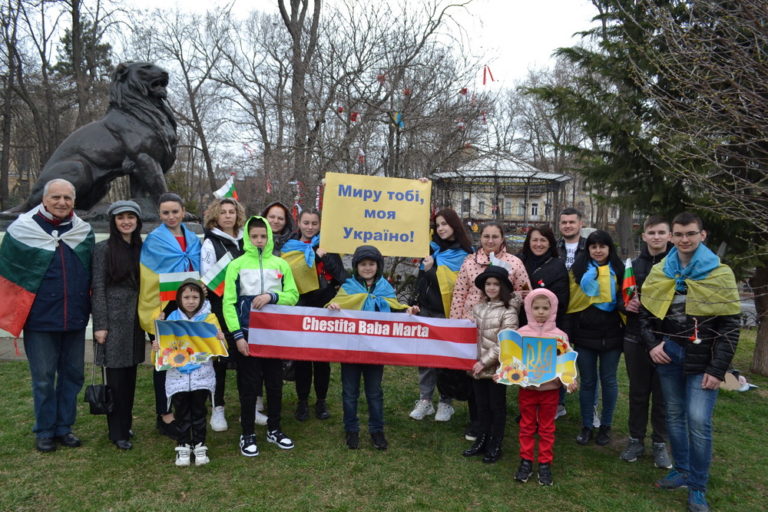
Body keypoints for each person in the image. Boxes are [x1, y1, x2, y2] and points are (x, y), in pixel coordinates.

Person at [640, 212, 740, 512]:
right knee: (673, 415)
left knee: (698, 422)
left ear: (702, 235)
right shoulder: (662, 271)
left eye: (691, 234)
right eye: (680, 234)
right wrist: (653, 344)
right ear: (672, 237)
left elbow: (730, 326)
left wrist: (717, 369)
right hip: (669, 353)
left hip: (703, 358)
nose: (685, 240)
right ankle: (681, 470)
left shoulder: (719, 273)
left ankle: (697, 486)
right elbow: (645, 315)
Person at [0, 179, 94, 452]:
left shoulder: (82, 232)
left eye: (67, 197)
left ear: (74, 201)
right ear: (44, 199)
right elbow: (10, 272)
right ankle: (44, 430)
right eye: (56, 197)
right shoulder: (22, 231)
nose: (62, 202)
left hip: (74, 318)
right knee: (43, 377)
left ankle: (64, 427)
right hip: (40, 320)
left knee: (73, 375)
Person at [327, 245, 417, 451]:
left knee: (374, 392)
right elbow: (334, 306)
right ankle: (351, 429)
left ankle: (377, 430)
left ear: (378, 266)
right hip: (351, 349)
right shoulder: (348, 287)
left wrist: (408, 311)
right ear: (356, 266)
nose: (367, 268)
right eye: (363, 264)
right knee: (349, 392)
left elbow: (394, 309)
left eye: (371, 264)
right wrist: (333, 307)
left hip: (375, 350)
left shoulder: (385, 288)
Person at [223, 216, 299, 457]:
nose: (258, 240)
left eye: (263, 236)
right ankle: (247, 433)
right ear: (247, 237)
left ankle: (274, 429)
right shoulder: (236, 265)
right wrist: (237, 336)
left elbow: (293, 295)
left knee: (275, 384)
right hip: (247, 336)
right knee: (249, 386)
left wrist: (272, 297)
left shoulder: (280, 264)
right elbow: (229, 303)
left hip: (274, 336)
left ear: (269, 238)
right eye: (254, 236)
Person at [449, 222, 528, 440]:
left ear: (503, 238)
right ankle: (477, 423)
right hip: (471, 327)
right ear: (480, 238)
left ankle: (495, 428)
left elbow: (524, 292)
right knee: (475, 376)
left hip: (499, 328)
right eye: (486, 236)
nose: (490, 241)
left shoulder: (514, 263)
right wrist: (455, 326)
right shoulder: (469, 262)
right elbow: (459, 294)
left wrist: (511, 308)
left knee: (494, 378)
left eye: (495, 236)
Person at [138, 192, 201, 439]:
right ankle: (164, 415)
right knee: (163, 363)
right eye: (166, 212)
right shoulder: (154, 241)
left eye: (175, 211)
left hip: (188, 308)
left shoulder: (193, 240)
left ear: (183, 212)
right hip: (164, 308)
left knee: (185, 358)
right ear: (159, 214)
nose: (171, 216)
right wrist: (160, 310)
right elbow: (149, 277)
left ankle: (183, 409)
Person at [280, 209, 348, 421]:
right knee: (301, 357)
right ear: (299, 223)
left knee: (321, 358)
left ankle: (321, 401)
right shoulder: (289, 247)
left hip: (324, 304)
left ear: (320, 226)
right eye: (306, 223)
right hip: (300, 303)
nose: (310, 227)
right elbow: (284, 275)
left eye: (314, 224)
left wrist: (323, 257)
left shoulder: (328, 245)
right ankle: (302, 402)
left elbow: (341, 275)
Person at [409, 208, 472, 423]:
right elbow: (421, 281)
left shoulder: (465, 254)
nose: (441, 228)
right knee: (425, 357)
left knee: (446, 359)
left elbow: (455, 286)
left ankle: (446, 402)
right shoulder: (431, 249)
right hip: (427, 310)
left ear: (455, 224)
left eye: (445, 223)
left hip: (448, 313)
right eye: (438, 225)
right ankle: (425, 400)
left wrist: (431, 270)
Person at [91, 200, 146, 450]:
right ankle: (117, 431)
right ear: (114, 221)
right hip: (113, 321)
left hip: (135, 320)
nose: (126, 222)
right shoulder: (103, 249)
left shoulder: (140, 247)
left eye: (130, 217)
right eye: (121, 217)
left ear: (137, 220)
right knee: (115, 378)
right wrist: (100, 325)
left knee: (130, 374)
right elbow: (98, 288)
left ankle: (126, 423)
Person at [153, 279, 225, 466]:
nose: (191, 301)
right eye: (186, 297)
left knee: (199, 411)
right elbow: (165, 348)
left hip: (202, 375)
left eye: (195, 297)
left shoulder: (210, 319)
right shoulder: (171, 319)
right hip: (178, 376)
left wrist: (220, 340)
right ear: (179, 298)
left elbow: (218, 350)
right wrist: (157, 345)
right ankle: (183, 446)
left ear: (201, 298)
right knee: (182, 411)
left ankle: (200, 445)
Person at [620, 216, 673, 468]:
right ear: (644, 236)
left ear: (669, 236)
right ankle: (635, 440)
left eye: (661, 232)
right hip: (635, 338)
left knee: (662, 396)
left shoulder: (677, 265)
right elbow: (622, 299)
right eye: (651, 232)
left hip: (667, 341)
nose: (656, 237)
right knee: (638, 393)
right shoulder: (633, 266)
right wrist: (626, 305)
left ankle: (660, 444)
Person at [513, 288, 578, 486]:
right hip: (528, 390)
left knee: (547, 427)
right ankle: (526, 461)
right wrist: (507, 374)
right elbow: (513, 360)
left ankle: (544, 464)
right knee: (526, 425)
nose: (541, 312)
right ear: (529, 308)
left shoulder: (560, 336)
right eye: (536, 308)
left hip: (550, 390)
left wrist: (569, 379)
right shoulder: (521, 333)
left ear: (553, 309)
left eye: (545, 308)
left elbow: (566, 362)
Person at [568, 230, 625, 446]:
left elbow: (625, 299)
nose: (598, 250)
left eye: (602, 246)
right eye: (594, 246)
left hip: (612, 335)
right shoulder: (578, 270)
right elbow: (572, 304)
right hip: (585, 336)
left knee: (609, 381)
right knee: (588, 382)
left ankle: (606, 426)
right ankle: (587, 425)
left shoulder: (619, 270)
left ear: (610, 248)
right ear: (588, 249)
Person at [461, 266, 519, 464]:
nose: (492, 288)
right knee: (481, 406)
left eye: (496, 284)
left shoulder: (508, 311)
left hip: (496, 368)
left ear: (502, 287)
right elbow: (469, 336)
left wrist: (484, 362)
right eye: (488, 284)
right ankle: (482, 439)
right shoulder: (477, 308)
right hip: (476, 367)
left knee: (496, 406)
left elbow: (505, 341)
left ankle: (496, 443)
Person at [200, 197, 246, 432]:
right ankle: (217, 407)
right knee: (219, 359)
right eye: (223, 212)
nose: (228, 216)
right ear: (215, 216)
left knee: (246, 359)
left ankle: (251, 405)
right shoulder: (210, 243)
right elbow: (207, 278)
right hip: (220, 307)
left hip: (245, 308)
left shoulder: (246, 239)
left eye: (232, 212)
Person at [517, 225, 569, 326]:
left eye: (543, 240)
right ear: (529, 242)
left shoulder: (558, 266)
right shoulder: (518, 261)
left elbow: (561, 302)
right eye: (535, 240)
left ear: (550, 243)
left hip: (545, 325)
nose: (539, 244)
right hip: (518, 323)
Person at [556, 207, 586, 271]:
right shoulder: (552, 247)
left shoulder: (589, 246)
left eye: (572, 222)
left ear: (580, 224)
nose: (567, 226)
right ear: (559, 225)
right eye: (564, 222)